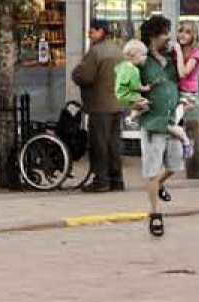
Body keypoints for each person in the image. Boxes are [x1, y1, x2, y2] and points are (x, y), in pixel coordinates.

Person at [136, 16, 182, 237]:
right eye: (165, 33)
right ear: (153, 36)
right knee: (152, 171)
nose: (169, 37)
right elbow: (128, 84)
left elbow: (184, 75)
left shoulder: (172, 59)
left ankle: (159, 185)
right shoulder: (143, 61)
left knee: (174, 166)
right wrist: (135, 100)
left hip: (172, 122)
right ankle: (155, 213)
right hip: (152, 122)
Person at [70, 20, 128, 192]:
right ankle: (117, 179)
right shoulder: (118, 50)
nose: (89, 33)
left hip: (100, 105)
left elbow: (84, 76)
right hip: (117, 104)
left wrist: (75, 74)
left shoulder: (96, 52)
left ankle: (101, 180)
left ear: (101, 31)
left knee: (99, 144)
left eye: (92, 31)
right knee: (114, 144)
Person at [171, 24, 199, 159]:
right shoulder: (176, 50)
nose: (183, 35)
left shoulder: (195, 53)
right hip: (176, 92)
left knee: (169, 122)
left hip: (187, 95)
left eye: (188, 32)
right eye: (181, 31)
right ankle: (180, 145)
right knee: (172, 123)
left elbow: (183, 73)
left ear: (194, 35)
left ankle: (186, 142)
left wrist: (178, 52)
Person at [115, 40, 149, 130]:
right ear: (134, 55)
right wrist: (146, 88)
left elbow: (116, 72)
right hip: (129, 96)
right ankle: (130, 118)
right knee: (146, 106)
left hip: (120, 95)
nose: (145, 58)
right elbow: (135, 86)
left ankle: (129, 118)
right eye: (143, 55)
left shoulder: (122, 66)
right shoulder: (134, 70)